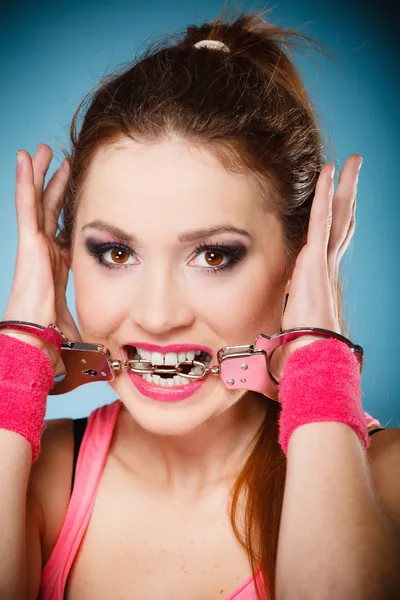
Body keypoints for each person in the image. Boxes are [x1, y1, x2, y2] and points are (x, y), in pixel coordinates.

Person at [0, 11, 399, 600]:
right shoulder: (31, 475)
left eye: (213, 256)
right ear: (65, 260)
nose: (158, 316)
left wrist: (318, 360)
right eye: (114, 252)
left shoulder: (383, 479)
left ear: (299, 261)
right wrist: (17, 365)